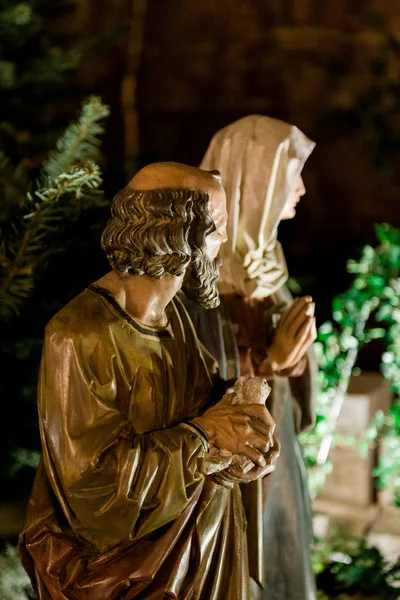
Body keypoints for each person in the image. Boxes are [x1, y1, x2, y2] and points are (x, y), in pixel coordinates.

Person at [19, 162, 279, 600]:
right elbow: (95, 493)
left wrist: (243, 422)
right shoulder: (80, 334)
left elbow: (202, 405)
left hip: (200, 546)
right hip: (127, 570)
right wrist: (206, 436)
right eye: (216, 229)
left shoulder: (172, 314)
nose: (224, 243)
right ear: (178, 234)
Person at [182, 116, 318, 600]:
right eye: (290, 173)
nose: (301, 187)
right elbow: (193, 375)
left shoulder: (268, 258)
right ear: (254, 176)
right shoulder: (201, 267)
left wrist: (293, 358)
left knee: (281, 548)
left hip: (274, 443)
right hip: (227, 463)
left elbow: (290, 359)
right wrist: (268, 360)